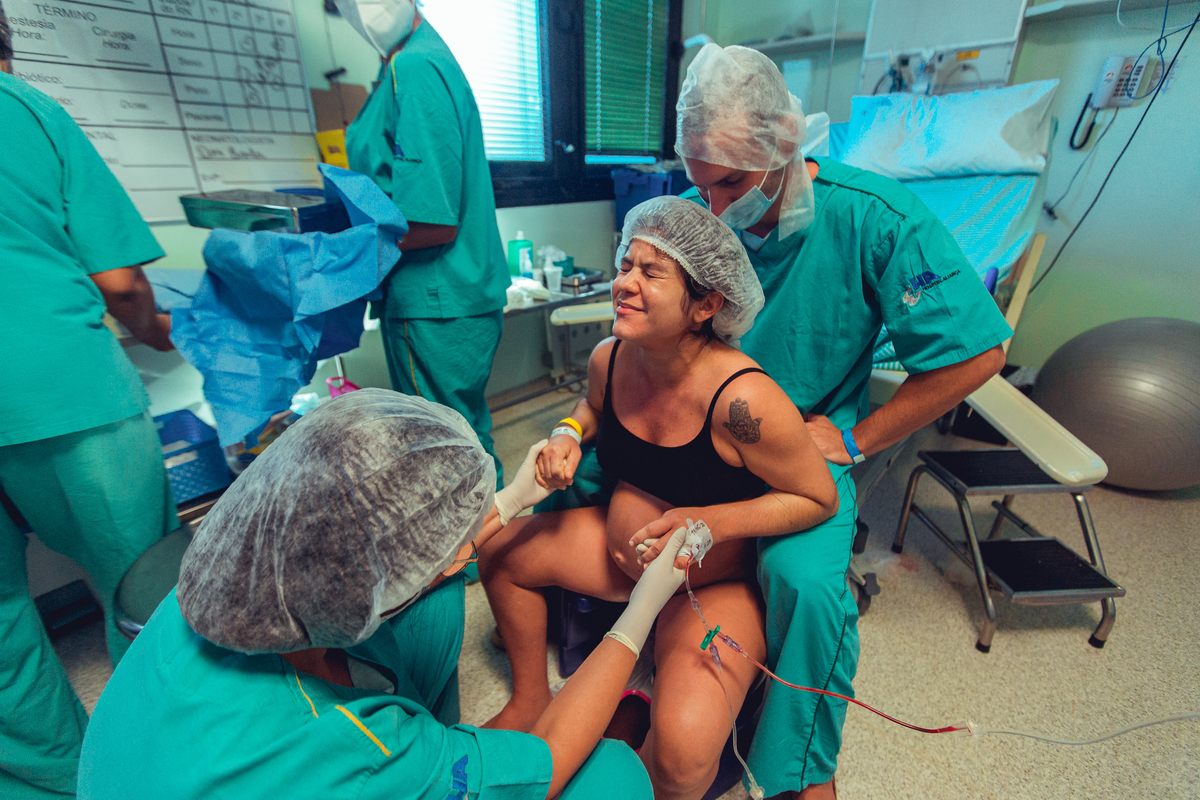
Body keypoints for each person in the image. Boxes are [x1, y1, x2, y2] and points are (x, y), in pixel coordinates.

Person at [671, 45, 1013, 799]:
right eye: (700, 187)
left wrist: (855, 439)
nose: (717, 212)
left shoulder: (874, 219)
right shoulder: (695, 220)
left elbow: (977, 352)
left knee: (806, 586)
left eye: (731, 182)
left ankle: (798, 771)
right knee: (591, 508)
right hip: (694, 433)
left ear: (785, 145)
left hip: (798, 450)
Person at [76, 389, 700, 799]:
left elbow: (383, 545)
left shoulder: (226, 583)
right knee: (612, 777)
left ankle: (451, 744)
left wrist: (508, 500)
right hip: (321, 763)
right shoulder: (357, 749)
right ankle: (453, 765)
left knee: (431, 611)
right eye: (447, 547)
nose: (460, 553)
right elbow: (552, 758)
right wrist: (640, 612)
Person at [478, 196, 840, 800]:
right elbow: (592, 410)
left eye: (651, 273)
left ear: (706, 304)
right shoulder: (611, 358)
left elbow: (816, 496)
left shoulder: (742, 402)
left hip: (706, 585)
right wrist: (568, 437)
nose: (624, 283)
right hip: (619, 560)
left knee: (681, 759)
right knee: (500, 555)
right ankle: (527, 697)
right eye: (626, 265)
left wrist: (712, 521)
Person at [0, 9, 179, 798]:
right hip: (59, 387)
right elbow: (121, 283)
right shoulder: (27, 111)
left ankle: (63, 782)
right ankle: (169, 759)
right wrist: (157, 330)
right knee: (148, 587)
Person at [340, 0, 510, 485]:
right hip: (448, 296)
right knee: (465, 442)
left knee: (442, 458)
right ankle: (494, 554)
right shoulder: (408, 61)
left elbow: (433, 221)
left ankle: (472, 561)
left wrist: (340, 256)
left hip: (436, 297)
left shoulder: (416, 65)